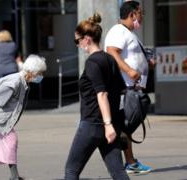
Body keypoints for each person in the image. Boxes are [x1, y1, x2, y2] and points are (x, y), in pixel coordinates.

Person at [64, 13, 129, 180]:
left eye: (77, 41)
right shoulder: (110, 59)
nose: (78, 45)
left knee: (71, 170)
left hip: (93, 124)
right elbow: (120, 90)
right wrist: (114, 125)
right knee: (118, 173)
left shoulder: (92, 62)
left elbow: (102, 94)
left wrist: (107, 124)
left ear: (86, 39)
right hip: (111, 125)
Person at [0, 54, 46, 180]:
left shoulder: (23, 82)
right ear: (31, 72)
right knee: (11, 142)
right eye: (39, 73)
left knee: (1, 147)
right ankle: (14, 177)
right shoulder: (15, 82)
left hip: (2, 118)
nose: (41, 76)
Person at [104, 0, 153, 174]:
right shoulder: (118, 31)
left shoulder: (128, 33)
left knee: (126, 126)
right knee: (125, 125)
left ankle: (130, 162)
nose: (142, 17)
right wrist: (130, 70)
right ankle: (128, 162)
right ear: (132, 14)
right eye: (141, 13)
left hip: (133, 88)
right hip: (125, 88)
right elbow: (111, 51)